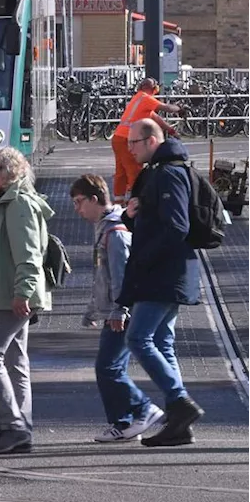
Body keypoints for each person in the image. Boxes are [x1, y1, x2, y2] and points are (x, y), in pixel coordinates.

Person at [119, 118, 205, 446]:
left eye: (133, 143)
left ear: (152, 141)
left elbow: (176, 227)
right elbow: (155, 220)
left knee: (138, 338)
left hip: (164, 273)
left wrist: (144, 258)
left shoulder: (168, 173)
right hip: (168, 272)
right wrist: (131, 214)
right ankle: (177, 423)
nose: (129, 149)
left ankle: (180, 403)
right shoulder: (160, 172)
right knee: (162, 341)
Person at [68, 174, 166, 443]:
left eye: (79, 202)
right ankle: (125, 422)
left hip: (121, 312)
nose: (77, 209)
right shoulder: (105, 227)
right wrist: (93, 310)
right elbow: (103, 277)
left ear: (95, 199)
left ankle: (141, 410)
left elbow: (120, 276)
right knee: (112, 368)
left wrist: (118, 311)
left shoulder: (114, 231)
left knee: (107, 368)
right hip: (115, 310)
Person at [0, 147, 53, 454]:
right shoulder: (11, 201)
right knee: (14, 361)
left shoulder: (18, 204)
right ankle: (21, 428)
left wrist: (23, 292)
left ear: (12, 171)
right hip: (8, 293)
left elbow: (29, 255)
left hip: (8, 296)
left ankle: (12, 425)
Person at [111, 78, 182, 202]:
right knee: (135, 171)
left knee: (121, 172)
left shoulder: (137, 98)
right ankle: (136, 201)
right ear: (154, 89)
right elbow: (167, 108)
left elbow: (155, 117)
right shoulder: (145, 98)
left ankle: (118, 201)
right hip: (129, 139)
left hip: (118, 138)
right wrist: (179, 108)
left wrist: (170, 130)